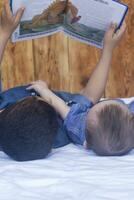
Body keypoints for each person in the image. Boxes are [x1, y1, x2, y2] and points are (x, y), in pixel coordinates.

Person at [0, 0, 133, 159]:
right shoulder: (64, 129)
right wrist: (108, 50)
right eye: (48, 101)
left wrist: (4, 32)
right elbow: (90, 97)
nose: (46, 97)